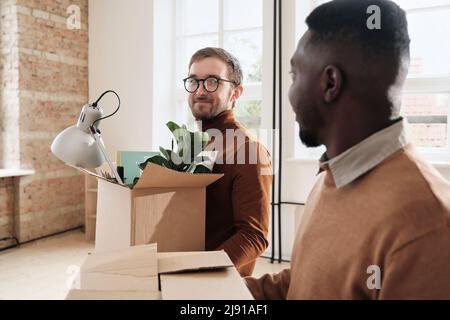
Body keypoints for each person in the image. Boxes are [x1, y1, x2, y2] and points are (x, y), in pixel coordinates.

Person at [245, 0, 450, 299]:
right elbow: (304, 284)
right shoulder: (331, 173)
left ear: (330, 83)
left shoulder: (428, 225)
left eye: (294, 76)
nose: (290, 94)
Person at [184, 47, 272, 277]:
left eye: (213, 82)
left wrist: (199, 273)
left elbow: (254, 237)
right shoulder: (193, 144)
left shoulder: (250, 150)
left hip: (215, 284)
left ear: (235, 93)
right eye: (194, 81)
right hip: (181, 271)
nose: (200, 91)